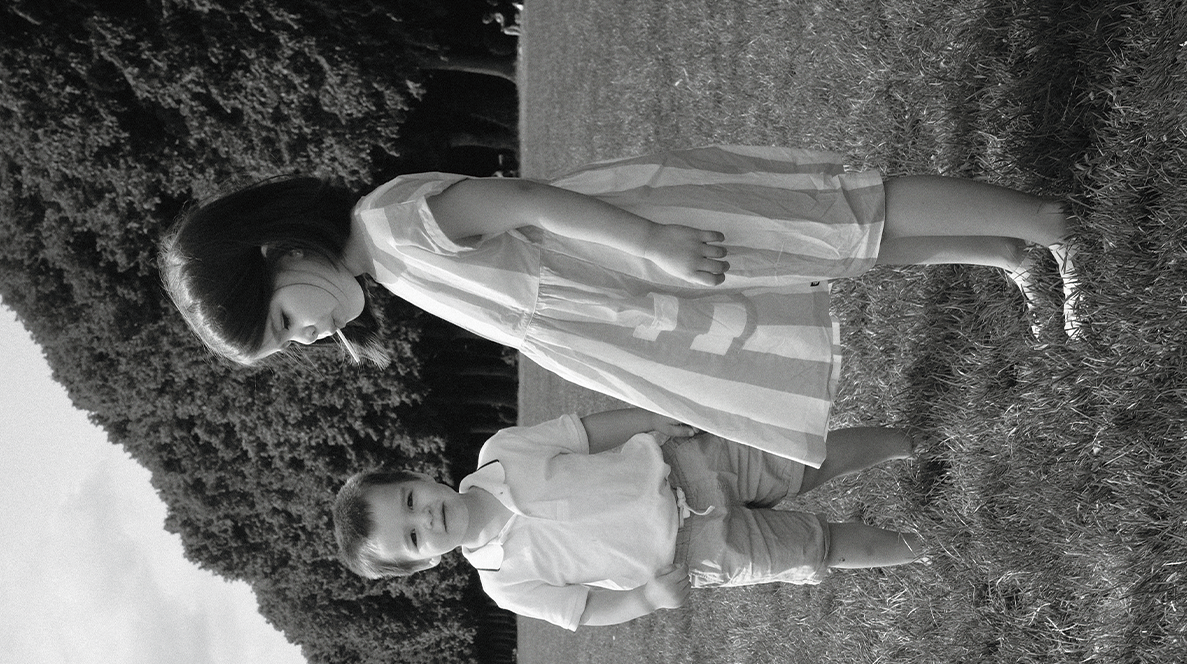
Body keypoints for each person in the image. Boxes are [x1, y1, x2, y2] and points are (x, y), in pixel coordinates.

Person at [159, 147, 1082, 471]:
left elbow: (523, 201)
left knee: (832, 217)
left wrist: (650, 245)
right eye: (290, 346)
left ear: (276, 250)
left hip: (640, 238)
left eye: (283, 322)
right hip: (630, 287)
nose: (308, 336)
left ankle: (1048, 223)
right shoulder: (389, 268)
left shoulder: (390, 222)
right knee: (825, 253)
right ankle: (1005, 253)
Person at [331, 405, 924, 628]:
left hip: (689, 464)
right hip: (694, 554)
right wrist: (645, 599)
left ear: (416, 476)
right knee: (819, 548)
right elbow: (587, 609)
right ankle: (928, 544)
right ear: (424, 564)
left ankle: (916, 443)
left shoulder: (501, 452)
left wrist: (650, 421)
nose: (426, 518)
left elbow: (586, 434)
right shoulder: (505, 584)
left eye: (409, 501)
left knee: (808, 461)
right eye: (413, 538)